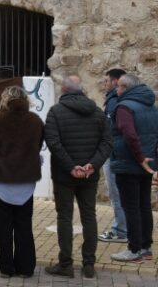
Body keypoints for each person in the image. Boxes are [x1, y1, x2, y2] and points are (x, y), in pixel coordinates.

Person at [44, 75, 112, 279]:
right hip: (89, 176)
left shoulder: (55, 112)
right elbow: (107, 143)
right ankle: (88, 265)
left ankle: (65, 264)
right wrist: (93, 165)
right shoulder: (97, 112)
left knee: (64, 217)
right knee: (89, 216)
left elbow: (53, 143)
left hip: (64, 174)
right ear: (81, 89)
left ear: (63, 89)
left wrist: (72, 167)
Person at [0, 86, 44, 278]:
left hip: (2, 179)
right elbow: (39, 144)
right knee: (24, 225)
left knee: (4, 226)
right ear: (25, 99)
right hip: (26, 180)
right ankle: (26, 268)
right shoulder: (35, 120)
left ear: (5, 100)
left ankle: (6, 268)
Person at [109, 74, 158, 263]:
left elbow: (129, 135)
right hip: (147, 164)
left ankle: (134, 249)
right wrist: (150, 162)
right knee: (144, 206)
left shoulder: (124, 107)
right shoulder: (150, 106)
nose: (116, 90)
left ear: (127, 88)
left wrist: (139, 158)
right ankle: (146, 247)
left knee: (131, 208)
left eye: (119, 87)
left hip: (129, 164)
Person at [98, 68, 129, 243]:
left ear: (115, 81)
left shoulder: (114, 102)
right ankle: (126, 228)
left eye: (106, 81)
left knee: (116, 193)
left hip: (114, 153)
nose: (104, 84)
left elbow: (111, 130)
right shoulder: (121, 99)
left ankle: (121, 231)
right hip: (121, 152)